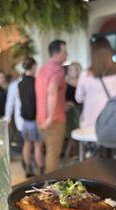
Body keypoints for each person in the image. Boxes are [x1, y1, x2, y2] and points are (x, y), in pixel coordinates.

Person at [75, 37, 116, 140]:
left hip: (91, 125)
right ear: (110, 52)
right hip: (115, 122)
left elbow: (78, 98)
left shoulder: (86, 75)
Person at [35, 40, 67, 172]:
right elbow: (52, 92)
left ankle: (46, 183)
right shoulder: (57, 70)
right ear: (58, 53)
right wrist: (50, 117)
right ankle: (51, 188)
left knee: (48, 152)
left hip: (40, 119)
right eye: (65, 52)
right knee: (53, 156)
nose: (67, 55)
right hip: (54, 120)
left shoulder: (42, 69)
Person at [18, 57, 44, 178]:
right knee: (38, 145)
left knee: (27, 144)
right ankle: (40, 171)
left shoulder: (20, 83)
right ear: (33, 66)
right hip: (35, 119)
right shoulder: (36, 82)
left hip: (25, 120)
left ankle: (27, 169)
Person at [65, 62, 82, 136]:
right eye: (68, 69)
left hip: (80, 111)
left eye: (71, 69)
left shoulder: (82, 83)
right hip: (68, 112)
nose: (69, 71)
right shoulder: (64, 82)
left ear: (77, 71)